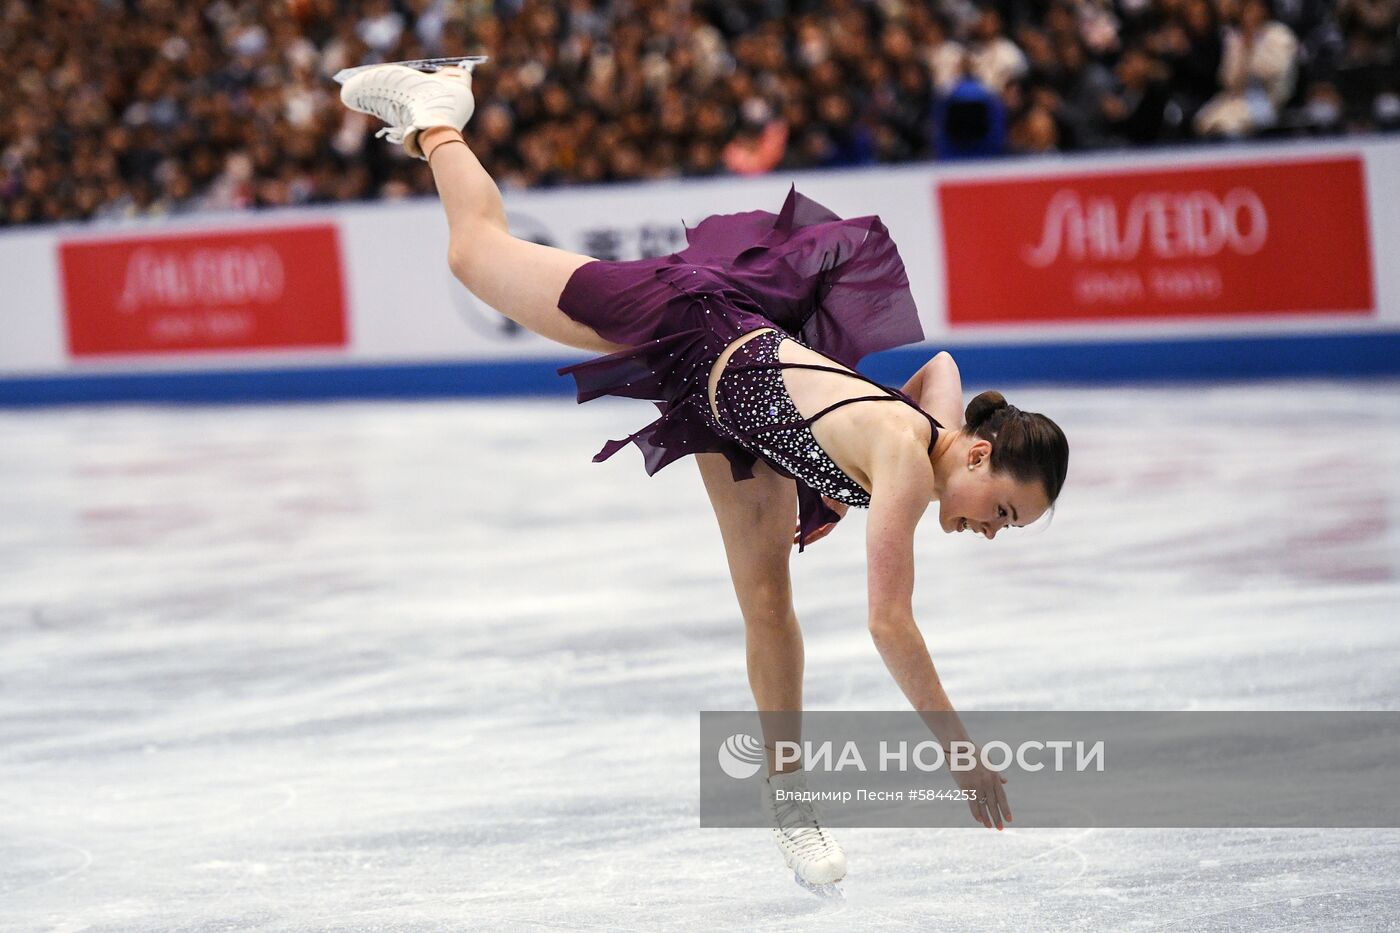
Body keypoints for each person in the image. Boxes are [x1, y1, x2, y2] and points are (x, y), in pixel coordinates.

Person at [339, 63, 1069, 890]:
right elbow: (890, 624)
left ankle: (789, 800)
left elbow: (941, 364)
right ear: (981, 454)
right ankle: (437, 114)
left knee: (767, 605)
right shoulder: (907, 459)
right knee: (477, 255)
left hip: (742, 427)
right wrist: (964, 758)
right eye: (1003, 510)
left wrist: (854, 455)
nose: (991, 530)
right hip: (692, 324)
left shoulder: (935, 437)